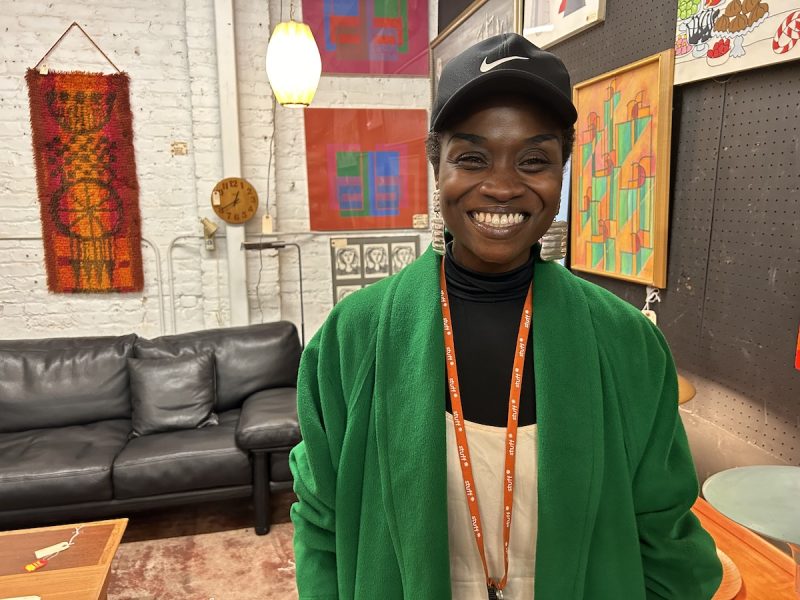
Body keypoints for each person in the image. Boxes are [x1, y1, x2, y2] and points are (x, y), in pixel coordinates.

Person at [290, 33, 723, 599]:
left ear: (562, 172)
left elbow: (664, 536)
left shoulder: (626, 344)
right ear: (435, 164)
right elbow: (321, 524)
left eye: (533, 160)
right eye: (471, 157)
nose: (500, 186)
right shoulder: (353, 339)